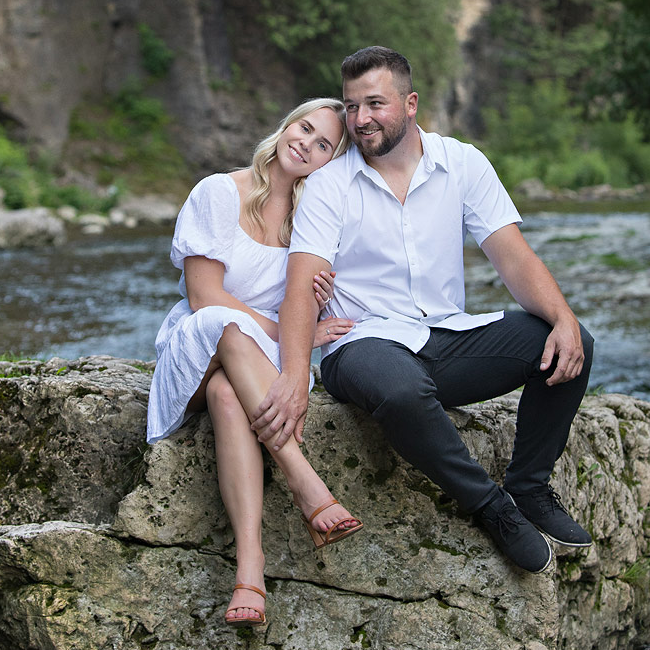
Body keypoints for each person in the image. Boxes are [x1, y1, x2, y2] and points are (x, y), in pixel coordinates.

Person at [251, 47, 595, 574]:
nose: (360, 119)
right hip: (361, 347)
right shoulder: (328, 185)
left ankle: (529, 487)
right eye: (351, 106)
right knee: (401, 387)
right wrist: (296, 374)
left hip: (446, 335)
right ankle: (492, 508)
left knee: (572, 342)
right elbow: (300, 288)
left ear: (410, 104)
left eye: (374, 104)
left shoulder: (462, 163)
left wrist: (564, 318)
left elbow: (513, 257)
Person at [147, 98, 363, 627]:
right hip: (200, 345)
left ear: (329, 161)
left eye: (323, 145)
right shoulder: (219, 192)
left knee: (228, 395)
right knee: (224, 324)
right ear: (287, 124)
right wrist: (294, 333)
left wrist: (318, 304)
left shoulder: (312, 219)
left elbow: (331, 296)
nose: (305, 144)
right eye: (304, 128)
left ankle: (250, 571)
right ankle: (302, 478)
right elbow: (204, 295)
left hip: (253, 365)